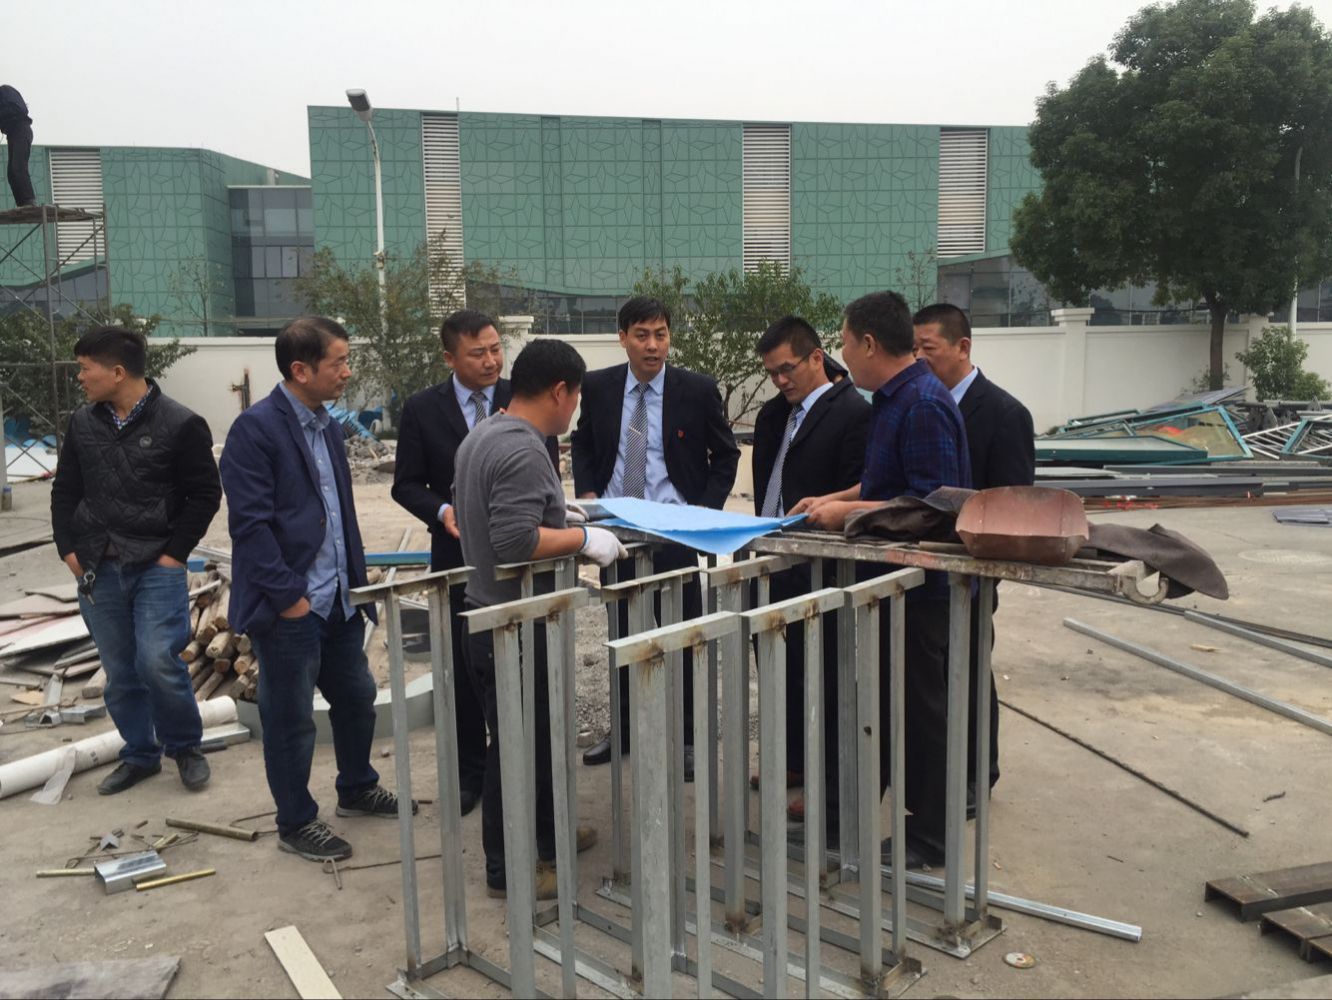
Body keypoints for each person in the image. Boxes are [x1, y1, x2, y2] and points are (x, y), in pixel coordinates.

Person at [220, 316, 410, 863]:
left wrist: (356, 582)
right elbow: (250, 527)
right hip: (292, 607)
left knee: (356, 699)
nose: (347, 372)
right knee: (290, 720)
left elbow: (338, 512)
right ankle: (296, 821)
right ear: (301, 370)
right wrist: (289, 599)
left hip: (340, 600)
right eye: (339, 362)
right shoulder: (256, 430)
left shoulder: (326, 426)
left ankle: (356, 787)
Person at [794, 291, 971, 868]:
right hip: (887, 584)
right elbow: (883, 481)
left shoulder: (922, 404)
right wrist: (835, 497)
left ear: (869, 344)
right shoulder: (895, 399)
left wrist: (848, 512)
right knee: (879, 706)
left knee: (921, 714)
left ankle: (931, 836)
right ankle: (849, 815)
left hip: (919, 590)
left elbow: (934, 506)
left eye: (845, 344)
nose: (843, 355)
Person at [453, 337, 622, 899]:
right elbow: (513, 540)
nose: (574, 410)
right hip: (514, 625)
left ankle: (549, 838)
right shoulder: (524, 450)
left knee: (538, 740)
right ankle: (509, 870)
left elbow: (498, 514)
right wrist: (582, 539)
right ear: (559, 391)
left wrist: (555, 513)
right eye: (575, 399)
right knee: (517, 749)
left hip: (496, 614)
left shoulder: (486, 434)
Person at [391, 309, 558, 818]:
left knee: (521, 680)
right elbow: (404, 483)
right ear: (449, 358)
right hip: (457, 559)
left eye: (495, 349)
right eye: (477, 353)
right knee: (465, 672)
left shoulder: (523, 398)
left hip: (519, 567)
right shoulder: (423, 409)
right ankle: (471, 773)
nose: (490, 361)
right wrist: (444, 512)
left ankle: (524, 783)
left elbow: (543, 475)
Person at [571, 296, 740, 777]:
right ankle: (623, 729)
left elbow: (726, 455)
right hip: (618, 534)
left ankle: (685, 736)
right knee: (622, 633)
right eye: (642, 335)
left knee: (681, 635)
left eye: (660, 335)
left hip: (674, 535)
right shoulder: (599, 387)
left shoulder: (696, 389)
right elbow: (583, 441)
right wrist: (588, 494)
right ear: (622, 338)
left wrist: (702, 513)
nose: (652, 345)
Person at [50, 326, 220, 795]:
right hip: (96, 567)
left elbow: (205, 495)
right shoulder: (83, 423)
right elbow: (65, 490)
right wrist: (68, 549)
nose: (80, 377)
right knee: (120, 671)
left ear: (118, 372)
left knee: (157, 662)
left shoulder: (181, 424)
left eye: (85, 368)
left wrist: (173, 555)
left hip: (154, 565)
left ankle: (185, 748)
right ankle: (140, 754)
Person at [914, 303, 1035, 803]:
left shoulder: (1005, 414)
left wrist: (986, 574)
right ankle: (938, 773)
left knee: (968, 676)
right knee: (934, 682)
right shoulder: (921, 404)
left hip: (973, 571)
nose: (919, 359)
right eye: (914, 349)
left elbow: (1014, 507)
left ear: (963, 346)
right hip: (928, 568)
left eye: (928, 348)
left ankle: (976, 776)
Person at [750, 316, 869, 805]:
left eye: (788, 369)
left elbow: (860, 492)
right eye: (772, 373)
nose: (780, 380)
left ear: (817, 358)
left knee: (821, 674)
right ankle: (793, 759)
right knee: (778, 668)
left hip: (820, 564)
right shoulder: (773, 415)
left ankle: (827, 779)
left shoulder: (853, 414)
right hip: (771, 555)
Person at [0, 85, 35, 208]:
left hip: (21, 129)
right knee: (11, 173)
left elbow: (19, 109)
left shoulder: (5, 91)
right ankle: (22, 204)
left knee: (18, 167)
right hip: (12, 134)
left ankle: (28, 201)